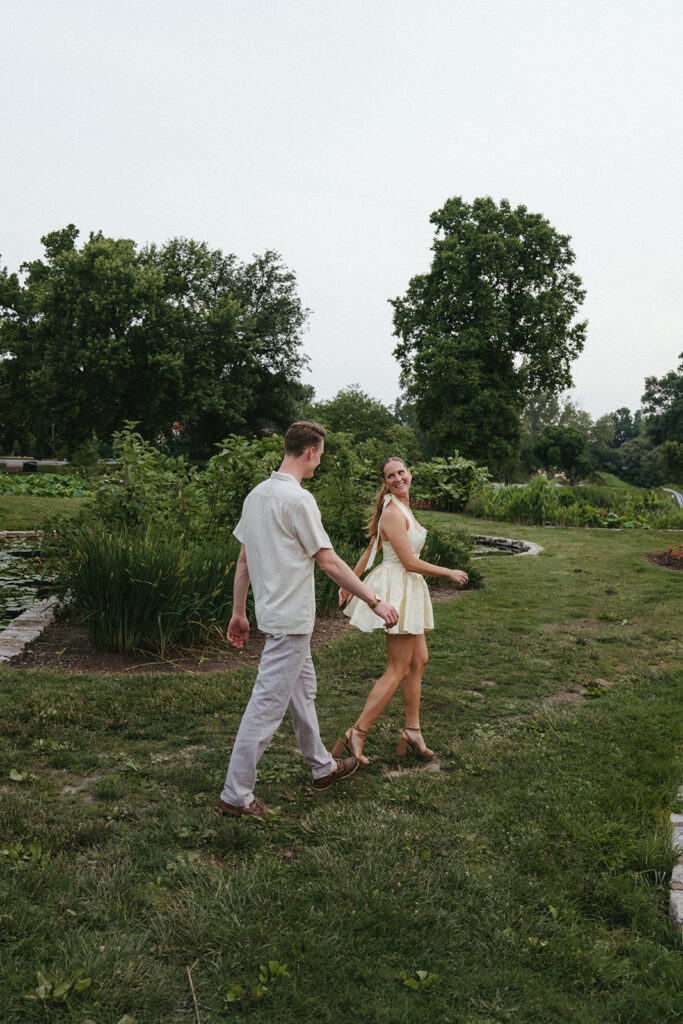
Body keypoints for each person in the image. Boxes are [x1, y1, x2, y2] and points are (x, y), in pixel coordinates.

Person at [215, 422, 399, 820]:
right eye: (320, 455)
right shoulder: (298, 500)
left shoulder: (256, 495)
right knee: (266, 707)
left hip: (274, 617)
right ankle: (235, 796)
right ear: (310, 452)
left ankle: (322, 767)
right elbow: (328, 560)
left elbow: (244, 558)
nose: (319, 463)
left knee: (302, 693)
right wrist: (374, 600)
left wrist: (239, 612)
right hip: (290, 622)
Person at [335, 456, 468, 765]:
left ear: (410, 474)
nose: (397, 478)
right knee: (398, 667)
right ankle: (357, 731)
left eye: (401, 472)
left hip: (408, 587)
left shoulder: (400, 507)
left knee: (419, 660)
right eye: (390, 476)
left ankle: (412, 730)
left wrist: (350, 580)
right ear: (385, 482)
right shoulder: (393, 512)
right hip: (398, 588)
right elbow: (408, 562)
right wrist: (448, 572)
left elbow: (371, 548)